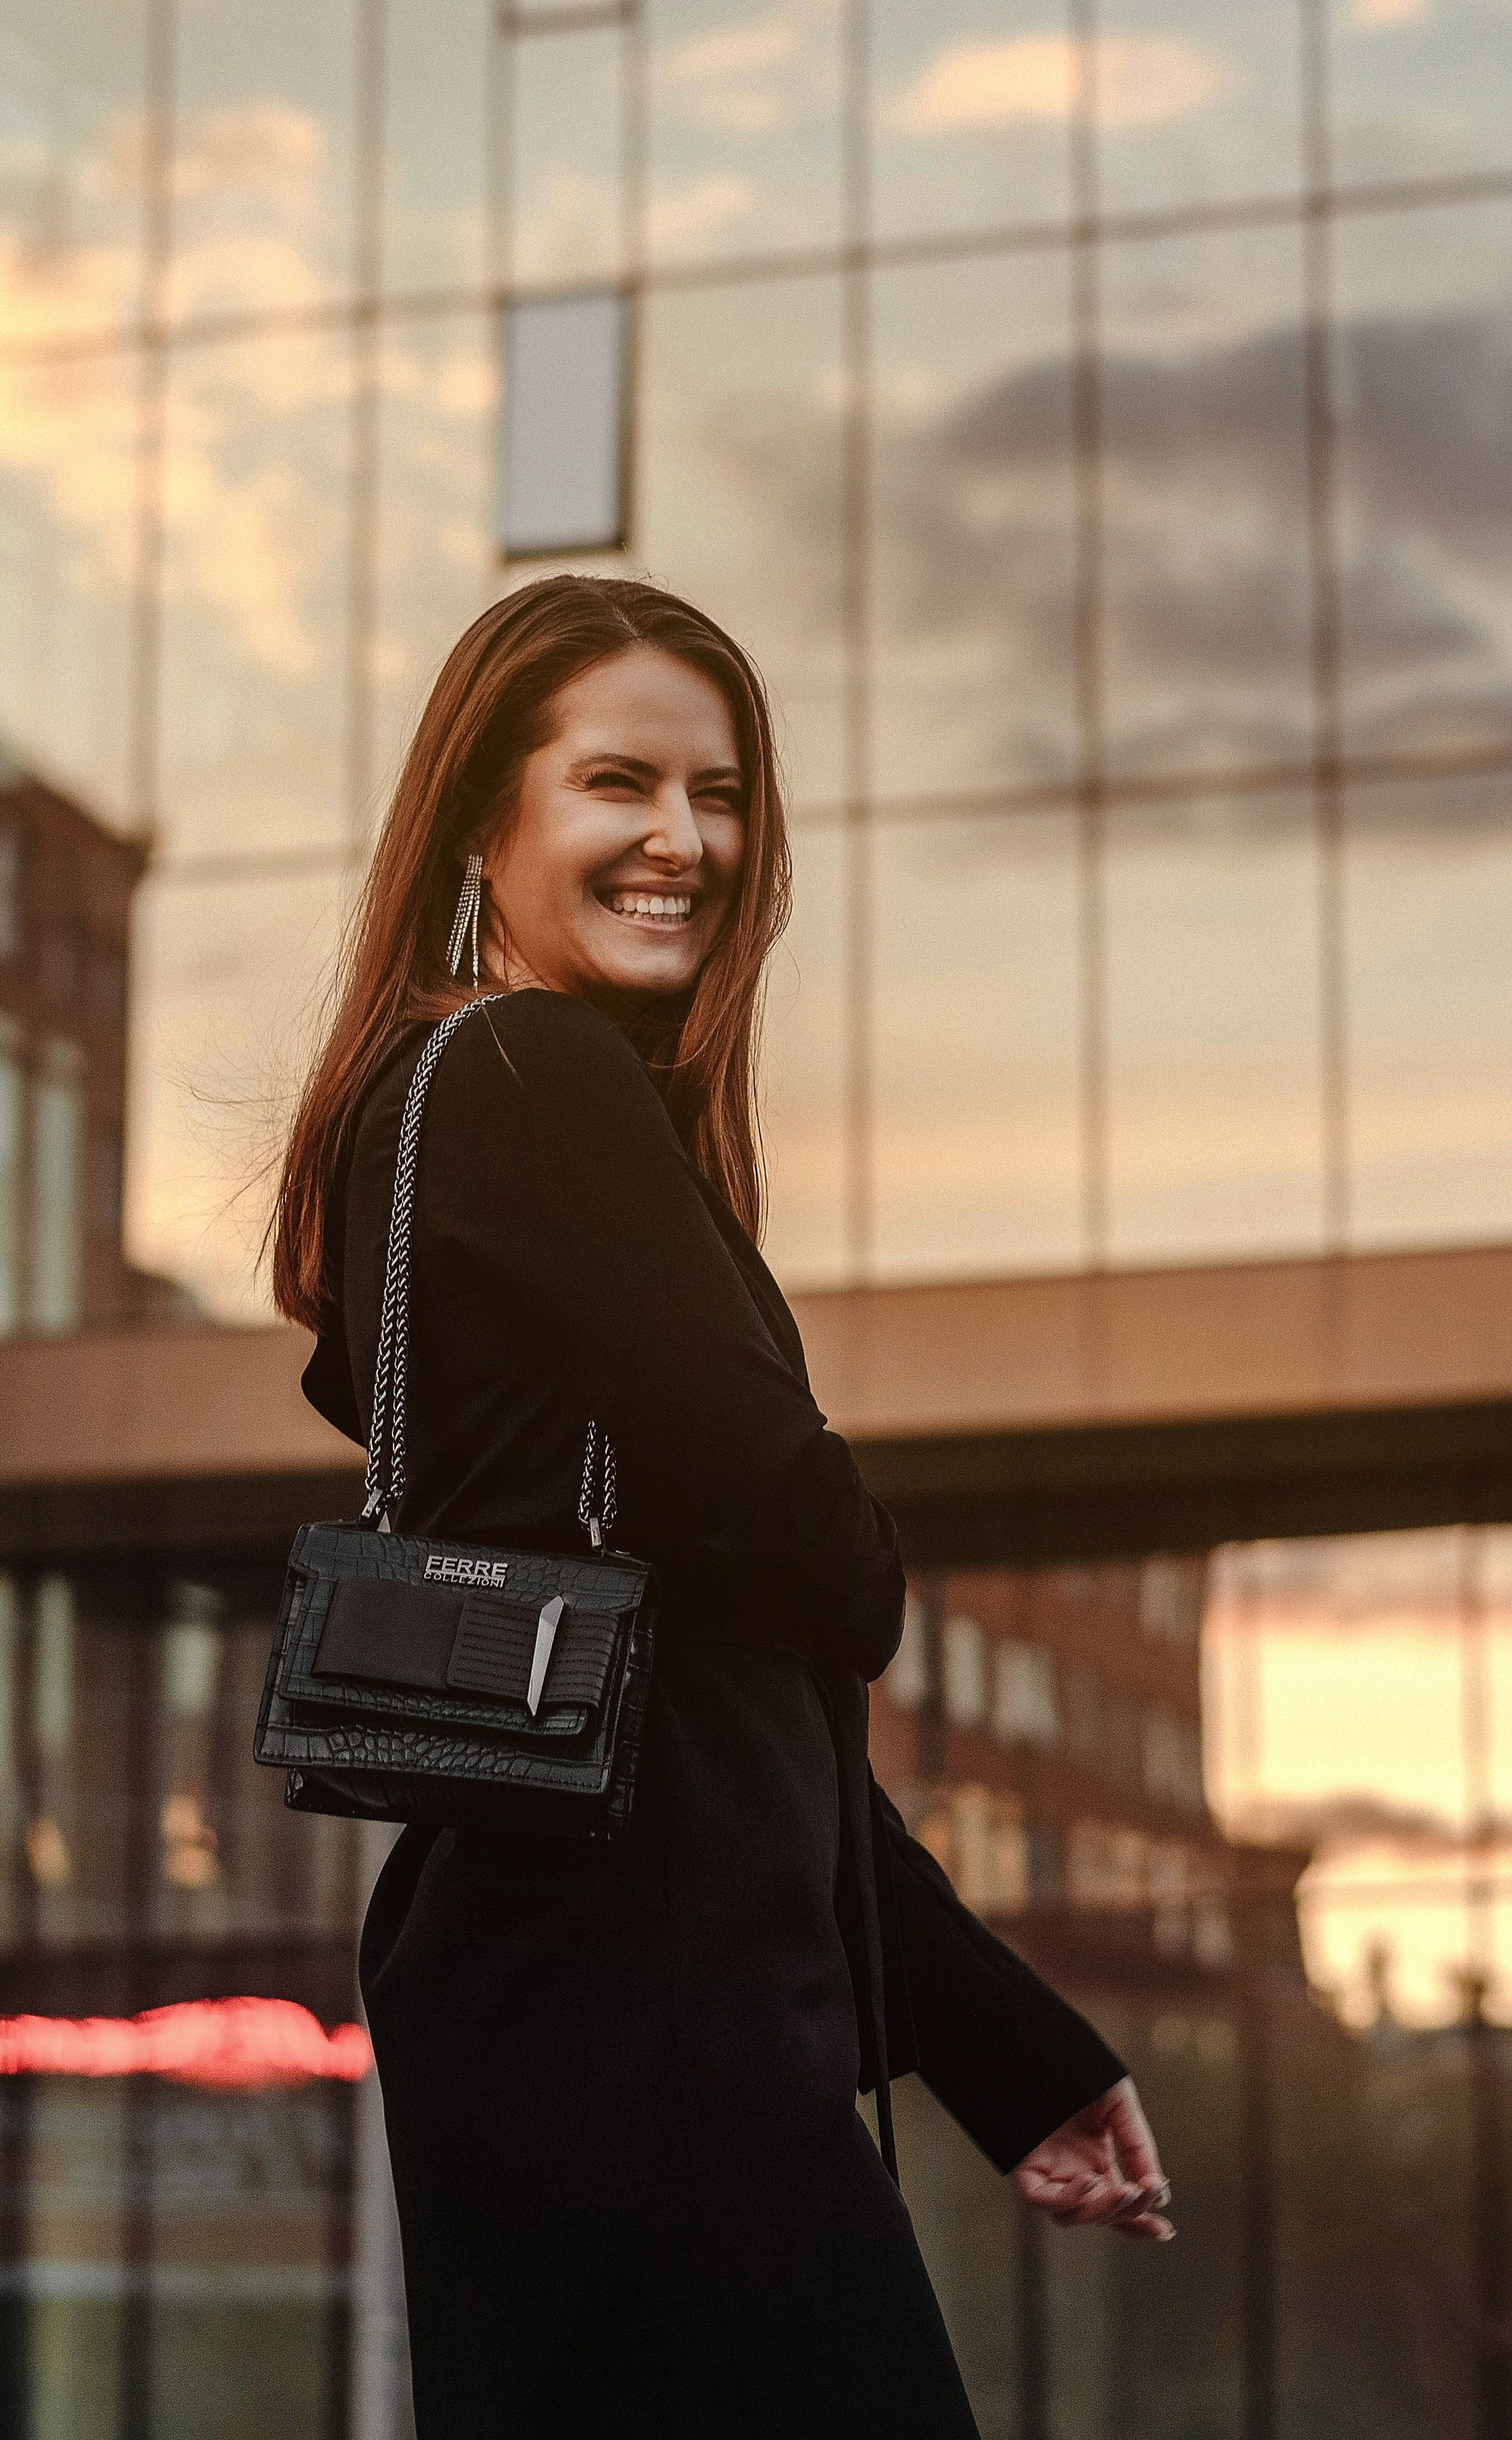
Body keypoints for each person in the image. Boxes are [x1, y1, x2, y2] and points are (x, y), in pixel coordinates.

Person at [268, 575, 1172, 2440]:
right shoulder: (531, 1076)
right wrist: (847, 1546)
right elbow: (810, 1554)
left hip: (570, 1998)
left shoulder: (439, 1099)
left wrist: (1010, 2060)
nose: (683, 840)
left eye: (723, 792)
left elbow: (715, 1693)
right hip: (646, 2021)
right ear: (483, 820)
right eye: (618, 784)